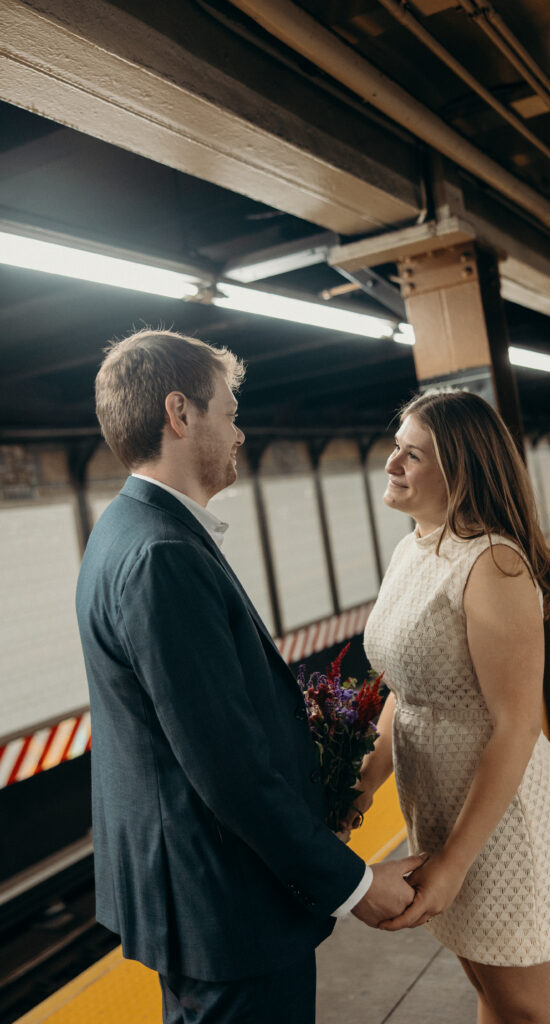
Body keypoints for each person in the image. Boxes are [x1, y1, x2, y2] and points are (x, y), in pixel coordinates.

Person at [75, 329, 422, 1024]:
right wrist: (350, 883)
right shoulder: (161, 555)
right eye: (230, 412)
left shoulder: (126, 529)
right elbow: (223, 762)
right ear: (180, 413)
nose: (240, 433)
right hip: (224, 904)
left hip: (197, 893)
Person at [345, 389, 550, 1024]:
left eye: (414, 454)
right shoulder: (415, 548)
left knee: (529, 1006)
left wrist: (454, 863)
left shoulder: (494, 565)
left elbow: (517, 726)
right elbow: (409, 685)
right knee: (490, 993)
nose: (392, 464)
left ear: (462, 469)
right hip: (438, 810)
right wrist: (365, 780)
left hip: (503, 822)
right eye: (396, 447)